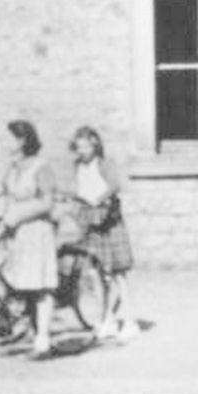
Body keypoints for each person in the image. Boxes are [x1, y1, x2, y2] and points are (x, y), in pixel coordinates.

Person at [0, 120, 61, 360]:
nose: (4, 144)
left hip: (37, 232)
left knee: (41, 287)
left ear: (22, 141)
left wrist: (16, 216)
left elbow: (48, 202)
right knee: (22, 284)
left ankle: (43, 342)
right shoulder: (14, 168)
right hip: (17, 234)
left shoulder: (41, 167)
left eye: (9, 139)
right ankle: (31, 333)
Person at [66, 125, 137, 344]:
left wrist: (98, 198)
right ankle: (107, 319)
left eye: (87, 146)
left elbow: (115, 185)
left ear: (95, 145)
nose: (83, 151)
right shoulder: (78, 165)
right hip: (91, 221)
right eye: (79, 147)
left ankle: (130, 320)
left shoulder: (104, 164)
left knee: (118, 273)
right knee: (99, 274)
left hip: (108, 221)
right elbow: (78, 188)